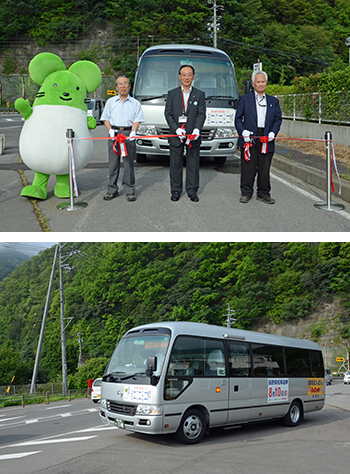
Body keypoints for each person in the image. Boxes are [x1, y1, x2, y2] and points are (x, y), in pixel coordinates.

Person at [235, 70, 282, 205]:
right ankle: (246, 193)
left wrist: (273, 133)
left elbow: (278, 119)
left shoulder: (274, 101)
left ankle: (263, 193)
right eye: (258, 82)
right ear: (253, 84)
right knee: (248, 167)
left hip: (266, 138)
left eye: (263, 82)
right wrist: (243, 131)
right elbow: (238, 119)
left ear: (266, 83)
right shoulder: (245, 99)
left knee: (264, 168)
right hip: (249, 138)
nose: (261, 84)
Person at [164, 65, 206, 202]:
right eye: (184, 75)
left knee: (193, 163)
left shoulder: (199, 94)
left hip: (192, 136)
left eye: (189, 75)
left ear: (193, 76)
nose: (186, 77)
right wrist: (176, 129)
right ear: (179, 76)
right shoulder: (172, 94)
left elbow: (201, 114)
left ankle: (192, 190)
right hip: (176, 135)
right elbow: (168, 114)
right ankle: (175, 191)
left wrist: (196, 130)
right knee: (175, 164)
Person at [100, 75, 144, 202]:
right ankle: (112, 189)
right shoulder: (110, 102)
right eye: (120, 84)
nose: (123, 86)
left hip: (128, 134)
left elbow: (137, 119)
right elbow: (106, 118)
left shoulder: (135, 103)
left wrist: (134, 132)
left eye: (125, 83)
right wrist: (110, 130)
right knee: (113, 163)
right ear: (116, 87)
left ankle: (130, 190)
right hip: (114, 133)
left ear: (129, 86)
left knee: (129, 164)